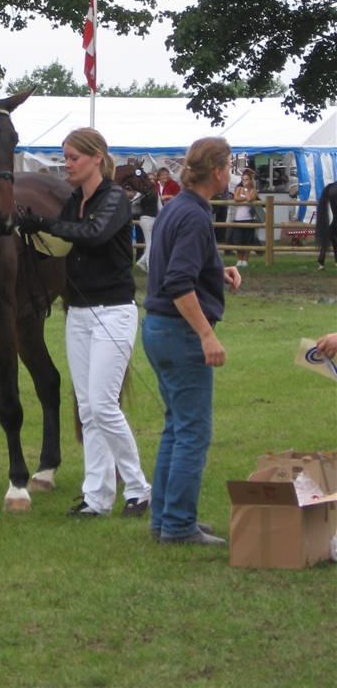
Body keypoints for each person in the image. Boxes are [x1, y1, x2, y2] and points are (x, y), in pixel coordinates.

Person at [18, 128, 151, 519]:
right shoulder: (74, 199)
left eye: (74, 157)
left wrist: (44, 222)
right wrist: (31, 233)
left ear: (97, 158)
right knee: (89, 408)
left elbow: (92, 235)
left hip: (113, 311)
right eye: (66, 157)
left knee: (105, 406)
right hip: (78, 313)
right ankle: (97, 497)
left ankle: (139, 488)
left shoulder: (114, 199)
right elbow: (59, 246)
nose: (68, 165)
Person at [142, 137, 242, 546]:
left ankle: (164, 519)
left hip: (158, 329)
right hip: (180, 333)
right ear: (217, 171)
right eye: (229, 167)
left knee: (176, 427)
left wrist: (217, 271)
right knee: (193, 431)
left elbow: (171, 264)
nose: (232, 175)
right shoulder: (195, 216)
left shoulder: (177, 207)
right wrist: (206, 334)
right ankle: (179, 525)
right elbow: (178, 282)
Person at [230, 168, 258, 267]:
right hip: (238, 218)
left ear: (250, 180)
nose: (244, 182)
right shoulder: (238, 188)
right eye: (243, 180)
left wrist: (246, 190)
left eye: (246, 179)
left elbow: (250, 198)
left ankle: (245, 259)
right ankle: (239, 258)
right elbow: (236, 198)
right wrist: (245, 198)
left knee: (248, 240)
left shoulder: (253, 190)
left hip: (249, 218)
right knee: (238, 240)